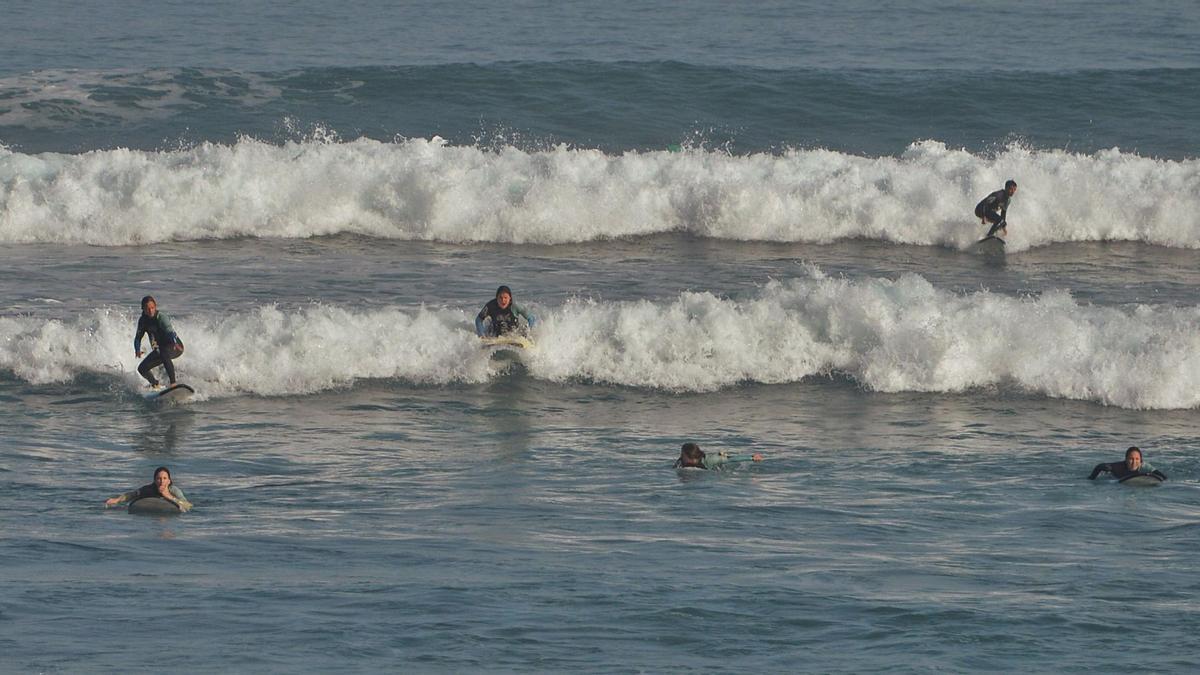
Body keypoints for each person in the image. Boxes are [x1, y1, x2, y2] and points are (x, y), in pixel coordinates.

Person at [134, 295, 184, 388]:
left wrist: (174, 343)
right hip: (160, 350)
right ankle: (155, 384)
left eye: (152, 308)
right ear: (143, 309)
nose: (150, 311)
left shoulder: (161, 317)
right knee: (142, 368)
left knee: (164, 352)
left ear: (155, 306)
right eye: (147, 308)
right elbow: (138, 337)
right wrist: (137, 349)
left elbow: (170, 331)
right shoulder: (143, 321)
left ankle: (173, 384)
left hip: (175, 346)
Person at [104, 466, 193, 512]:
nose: (162, 481)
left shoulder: (174, 490)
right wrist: (117, 500)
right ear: (154, 480)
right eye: (159, 478)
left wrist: (169, 496)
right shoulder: (149, 489)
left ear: (169, 481)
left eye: (165, 478)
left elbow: (188, 506)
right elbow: (132, 494)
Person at [1088, 446, 1166, 481]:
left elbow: (1162, 477)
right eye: (1131, 459)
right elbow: (1100, 466)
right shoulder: (1118, 466)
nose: (1134, 462)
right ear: (1126, 459)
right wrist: (1092, 478)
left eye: (1137, 459)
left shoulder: (1144, 466)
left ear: (1141, 460)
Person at [674, 442, 763, 469]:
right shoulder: (681, 461)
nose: (681, 455)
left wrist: (751, 458)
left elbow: (731, 459)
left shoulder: (711, 460)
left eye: (683, 454)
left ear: (690, 456)